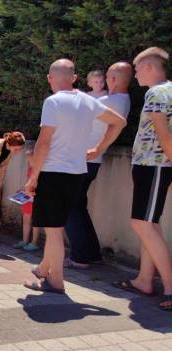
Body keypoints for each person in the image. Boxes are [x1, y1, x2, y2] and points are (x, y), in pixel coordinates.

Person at [24, 59, 126, 295]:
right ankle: (43, 269)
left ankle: (56, 282)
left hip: (52, 173)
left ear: (50, 79)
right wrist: (99, 149)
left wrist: (33, 177)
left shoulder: (53, 102)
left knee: (54, 231)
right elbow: (119, 122)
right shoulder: (88, 101)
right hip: (76, 173)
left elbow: (44, 141)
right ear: (74, 77)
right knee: (56, 226)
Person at [112, 47, 172, 310]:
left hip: (153, 164)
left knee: (142, 224)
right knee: (150, 224)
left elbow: (163, 133)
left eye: (136, 69)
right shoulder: (167, 90)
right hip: (153, 165)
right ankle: (144, 280)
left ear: (149, 67)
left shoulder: (157, 92)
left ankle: (170, 286)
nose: (135, 75)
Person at [65, 62, 132, 268]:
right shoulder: (120, 100)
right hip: (90, 160)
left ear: (113, 80)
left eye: (107, 77)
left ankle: (79, 257)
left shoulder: (109, 101)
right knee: (78, 207)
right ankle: (92, 254)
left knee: (69, 207)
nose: (104, 81)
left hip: (84, 160)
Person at [14, 149, 41, 252]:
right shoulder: (31, 168)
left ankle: (34, 243)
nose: (29, 161)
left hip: (34, 198)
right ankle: (25, 241)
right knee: (26, 219)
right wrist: (23, 190)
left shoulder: (40, 169)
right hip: (27, 197)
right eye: (28, 159)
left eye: (31, 159)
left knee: (36, 221)